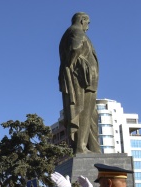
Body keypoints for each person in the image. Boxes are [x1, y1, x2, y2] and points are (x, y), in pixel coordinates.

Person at [58, 12, 100, 154]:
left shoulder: (68, 33)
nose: (88, 27)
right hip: (82, 80)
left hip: (83, 80)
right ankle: (81, 147)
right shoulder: (76, 31)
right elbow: (75, 48)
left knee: (92, 115)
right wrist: (73, 64)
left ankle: (94, 148)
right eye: (87, 23)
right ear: (82, 20)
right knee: (84, 112)